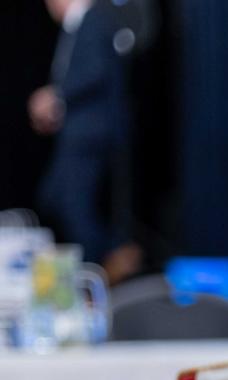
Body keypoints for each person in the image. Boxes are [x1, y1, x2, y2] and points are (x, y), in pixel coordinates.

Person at [29, 0, 141, 282]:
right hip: (76, 131)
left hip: (90, 135)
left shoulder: (94, 20)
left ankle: (102, 266)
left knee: (75, 209)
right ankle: (112, 253)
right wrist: (58, 107)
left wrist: (56, 96)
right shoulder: (78, 27)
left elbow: (96, 71)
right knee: (54, 198)